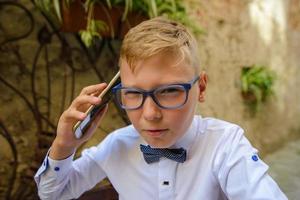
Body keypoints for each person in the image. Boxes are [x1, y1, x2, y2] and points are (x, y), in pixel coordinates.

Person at [34, 17, 287, 200]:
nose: (150, 114)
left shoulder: (225, 145)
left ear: (200, 88)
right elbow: (53, 193)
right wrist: (64, 146)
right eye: (133, 94)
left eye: (168, 91)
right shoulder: (116, 145)